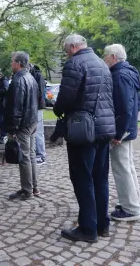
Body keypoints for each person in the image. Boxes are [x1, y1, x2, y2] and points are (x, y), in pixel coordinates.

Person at [53, 34, 115, 243]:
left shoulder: (75, 63)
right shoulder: (102, 63)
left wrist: (58, 109)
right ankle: (102, 224)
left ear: (72, 47)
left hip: (84, 131)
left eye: (65, 50)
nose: (66, 54)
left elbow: (66, 97)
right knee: (100, 178)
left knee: (82, 178)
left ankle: (88, 229)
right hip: (104, 129)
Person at [103, 44, 140, 222]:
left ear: (113, 57)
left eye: (105, 56)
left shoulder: (119, 75)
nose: (104, 59)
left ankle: (131, 209)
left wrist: (118, 134)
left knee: (122, 169)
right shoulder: (129, 72)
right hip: (128, 128)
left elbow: (125, 108)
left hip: (123, 130)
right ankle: (132, 202)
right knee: (128, 167)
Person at [4, 51, 39, 200]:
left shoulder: (19, 80)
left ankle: (27, 190)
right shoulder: (30, 77)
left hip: (24, 124)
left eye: (12, 61)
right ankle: (34, 187)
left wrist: (12, 129)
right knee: (30, 155)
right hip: (32, 121)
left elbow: (16, 107)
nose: (11, 64)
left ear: (18, 63)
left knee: (25, 157)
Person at [28, 62, 47, 164]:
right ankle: (35, 153)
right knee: (33, 132)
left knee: (38, 131)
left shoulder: (37, 76)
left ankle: (41, 155)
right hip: (32, 107)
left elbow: (39, 93)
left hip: (37, 107)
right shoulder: (32, 75)